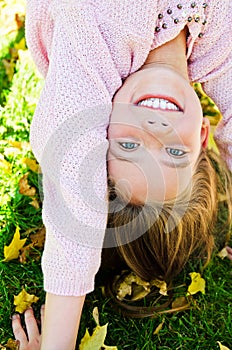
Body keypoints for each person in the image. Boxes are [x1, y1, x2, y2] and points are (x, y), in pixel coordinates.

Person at [12, 0, 232, 349]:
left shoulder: (96, 42)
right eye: (174, 153)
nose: (156, 130)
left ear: (100, 127)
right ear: (202, 137)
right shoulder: (217, 42)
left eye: (129, 145)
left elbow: (72, 178)